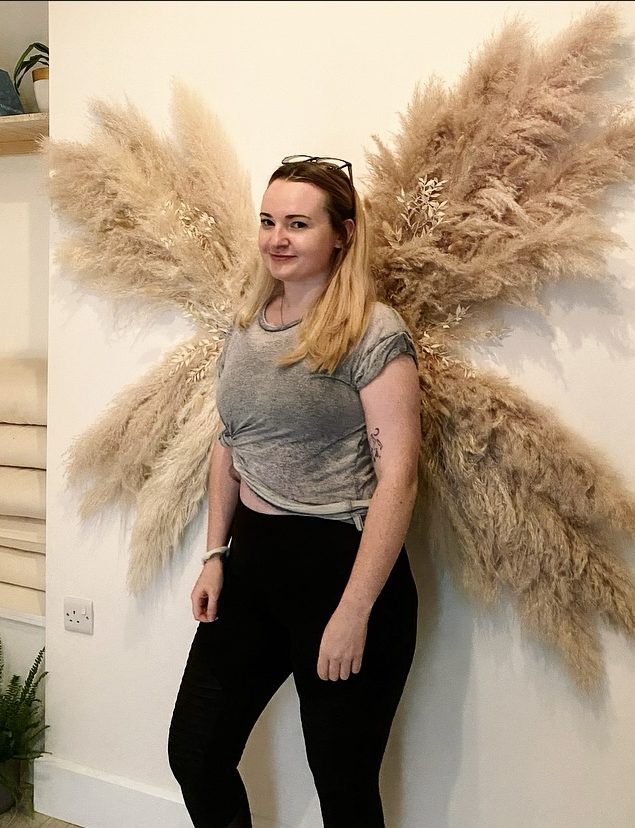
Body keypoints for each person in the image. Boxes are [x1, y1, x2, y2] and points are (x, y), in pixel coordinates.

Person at [168, 155, 421, 828]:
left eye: (298, 224)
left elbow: (398, 477)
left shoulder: (373, 331)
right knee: (196, 753)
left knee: (343, 787)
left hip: (338, 569)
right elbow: (230, 442)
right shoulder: (247, 325)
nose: (276, 238)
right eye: (268, 221)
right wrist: (215, 553)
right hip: (253, 566)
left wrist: (355, 610)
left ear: (341, 234)